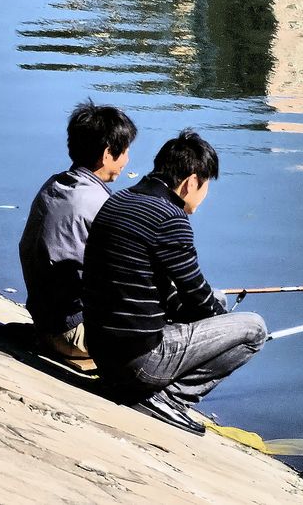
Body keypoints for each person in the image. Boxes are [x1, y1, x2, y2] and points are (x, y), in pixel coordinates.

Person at [82, 129, 266, 435]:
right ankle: (170, 398)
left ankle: (146, 390)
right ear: (192, 181)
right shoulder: (170, 217)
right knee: (253, 329)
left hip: (101, 351)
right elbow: (198, 297)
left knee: (217, 299)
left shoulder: (120, 200)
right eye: (206, 186)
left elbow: (168, 292)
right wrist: (222, 321)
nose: (203, 196)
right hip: (138, 361)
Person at [18, 100, 136, 362]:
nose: (128, 159)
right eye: (125, 151)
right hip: (71, 334)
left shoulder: (54, 184)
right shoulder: (101, 205)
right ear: (107, 154)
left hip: (44, 321)